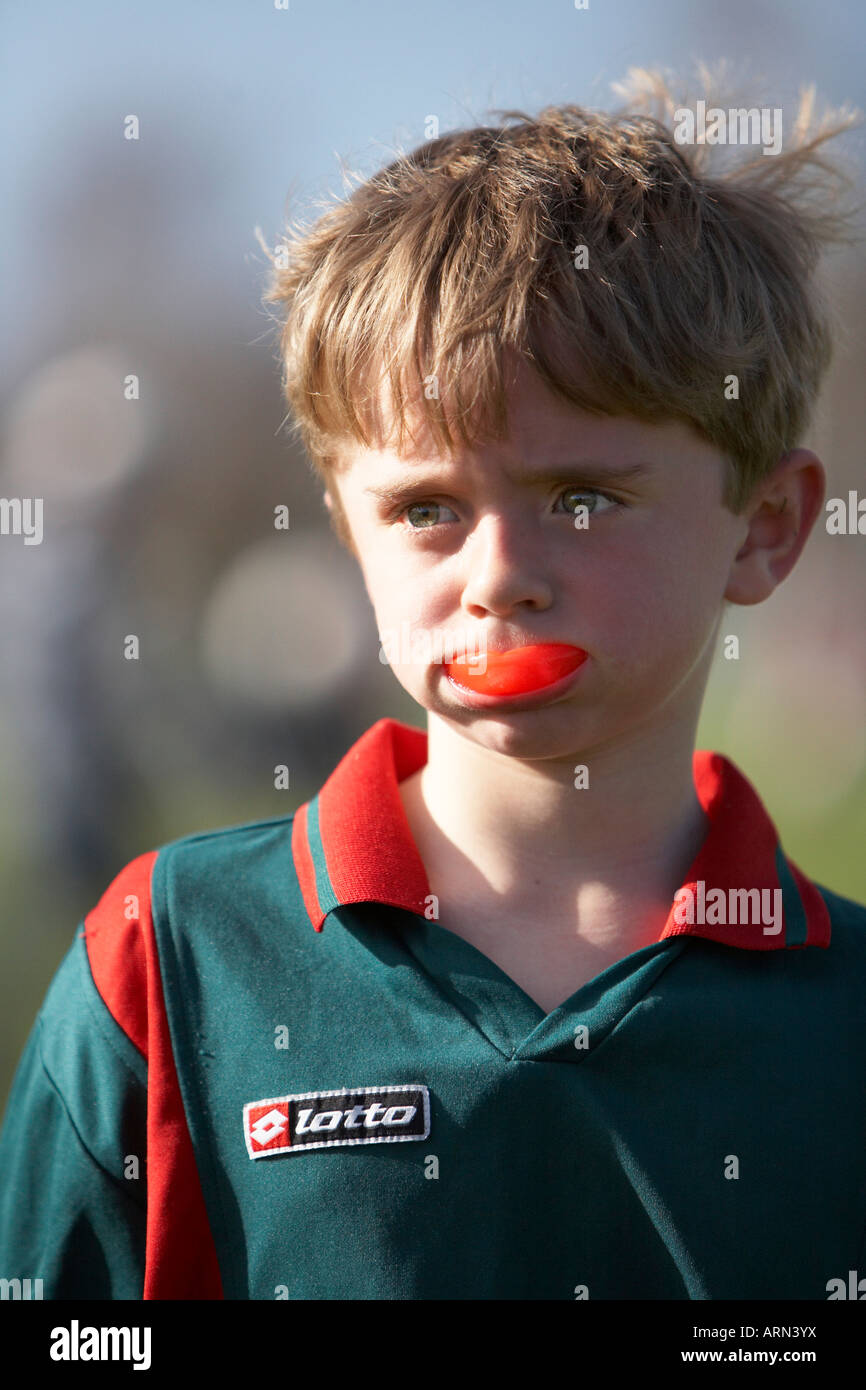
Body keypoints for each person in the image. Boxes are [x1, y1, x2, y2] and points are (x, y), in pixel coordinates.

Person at [1, 71, 864, 1301]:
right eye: (424, 510)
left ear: (763, 526)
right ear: (351, 536)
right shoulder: (165, 958)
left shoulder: (844, 1018)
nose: (499, 575)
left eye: (582, 499)